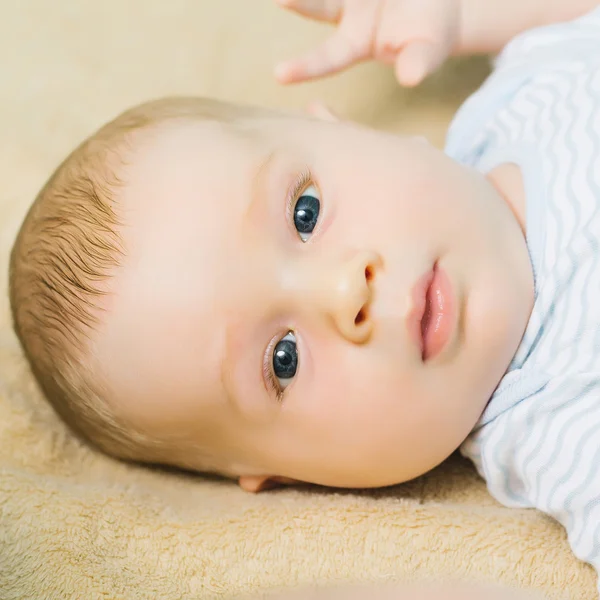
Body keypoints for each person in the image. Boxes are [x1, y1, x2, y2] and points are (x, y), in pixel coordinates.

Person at [8, 0, 600, 592]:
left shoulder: (522, 90)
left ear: (341, 128)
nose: (346, 291)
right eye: (282, 359)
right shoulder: (563, 439)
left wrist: (460, 15)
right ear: (296, 477)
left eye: (305, 212)